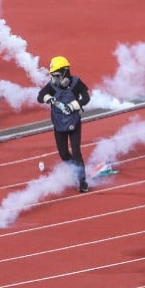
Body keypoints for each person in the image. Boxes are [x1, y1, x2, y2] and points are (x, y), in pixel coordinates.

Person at [37, 56, 91, 193]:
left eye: (57, 76)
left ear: (65, 72)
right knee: (63, 154)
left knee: (76, 151)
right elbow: (39, 97)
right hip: (59, 124)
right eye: (52, 76)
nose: (54, 79)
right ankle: (75, 169)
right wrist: (48, 98)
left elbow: (86, 98)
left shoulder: (76, 83)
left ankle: (82, 181)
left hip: (74, 123)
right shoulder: (52, 86)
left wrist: (73, 106)